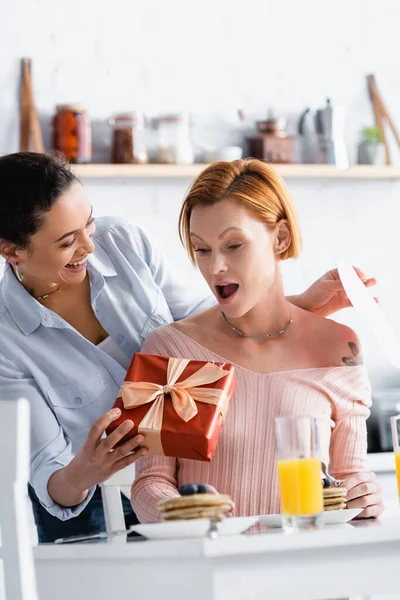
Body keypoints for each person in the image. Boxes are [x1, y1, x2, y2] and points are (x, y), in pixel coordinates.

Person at [0, 153, 377, 543]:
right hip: (94, 501)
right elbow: (48, 471)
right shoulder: (5, 340)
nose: (89, 247)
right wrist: (87, 470)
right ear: (13, 252)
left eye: (88, 225)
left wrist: (296, 310)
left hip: (182, 480)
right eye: (66, 242)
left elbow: (211, 324)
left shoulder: (122, 243)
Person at [131, 158, 383, 522]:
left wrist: (365, 494)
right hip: (211, 567)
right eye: (202, 249)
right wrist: (184, 517)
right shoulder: (170, 351)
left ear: (280, 238)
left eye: (233, 245)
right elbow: (150, 482)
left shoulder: (339, 349)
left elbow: (348, 480)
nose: (215, 267)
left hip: (310, 565)